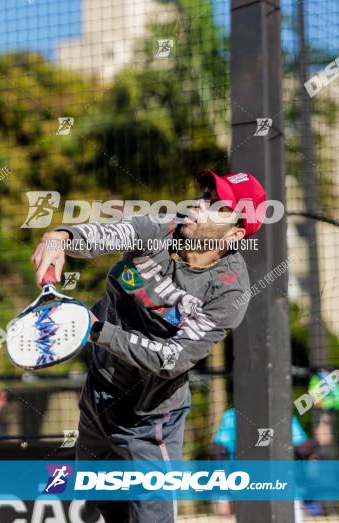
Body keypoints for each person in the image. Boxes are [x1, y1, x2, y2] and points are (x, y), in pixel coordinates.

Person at [31, 170, 266, 523]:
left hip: (151, 419)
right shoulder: (163, 228)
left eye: (216, 205)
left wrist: (95, 330)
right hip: (99, 397)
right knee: (89, 512)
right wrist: (60, 236)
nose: (199, 205)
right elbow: (107, 234)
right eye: (204, 194)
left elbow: (171, 359)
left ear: (235, 233)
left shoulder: (229, 292)